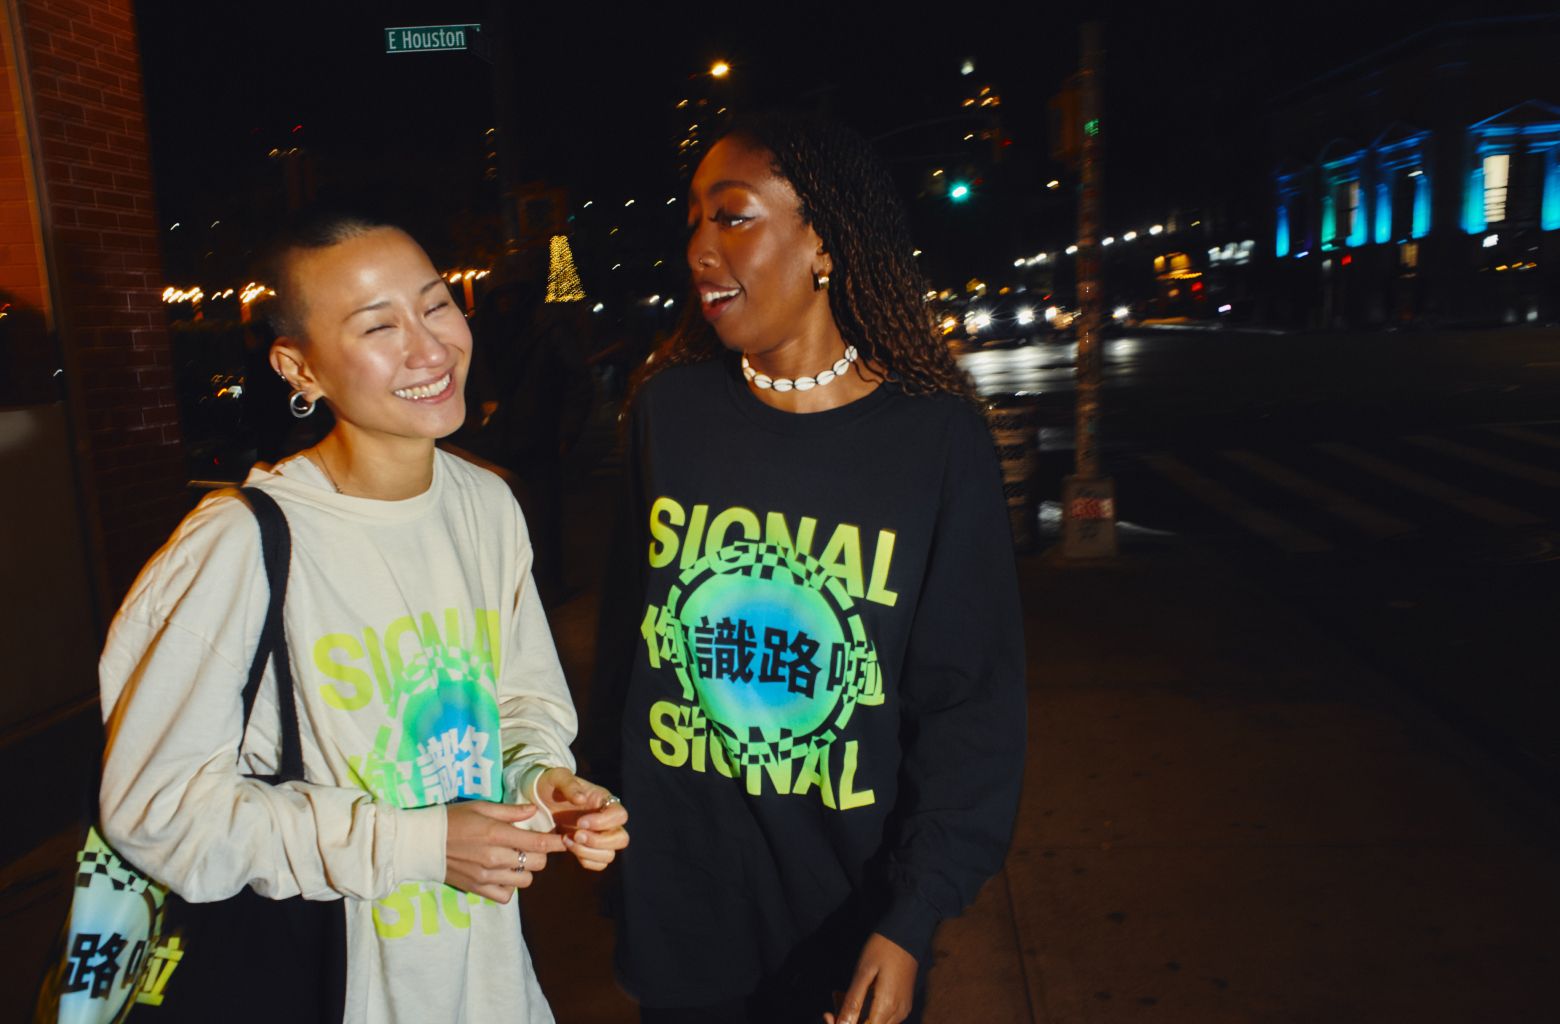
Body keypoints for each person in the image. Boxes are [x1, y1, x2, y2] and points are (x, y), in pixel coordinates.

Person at [97, 212, 628, 1022]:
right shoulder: (241, 544)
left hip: (485, 984)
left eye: (436, 304)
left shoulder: (487, 504)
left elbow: (519, 704)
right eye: (379, 326)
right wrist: (417, 845)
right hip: (326, 984)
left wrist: (541, 782)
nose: (429, 349)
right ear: (298, 368)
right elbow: (157, 811)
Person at [585, 112, 1026, 1024]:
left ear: (822, 238)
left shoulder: (934, 442)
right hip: (680, 916)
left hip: (844, 925)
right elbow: (629, 650)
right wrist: (611, 843)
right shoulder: (669, 413)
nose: (701, 247)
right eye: (694, 220)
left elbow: (969, 708)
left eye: (733, 217)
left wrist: (910, 920)